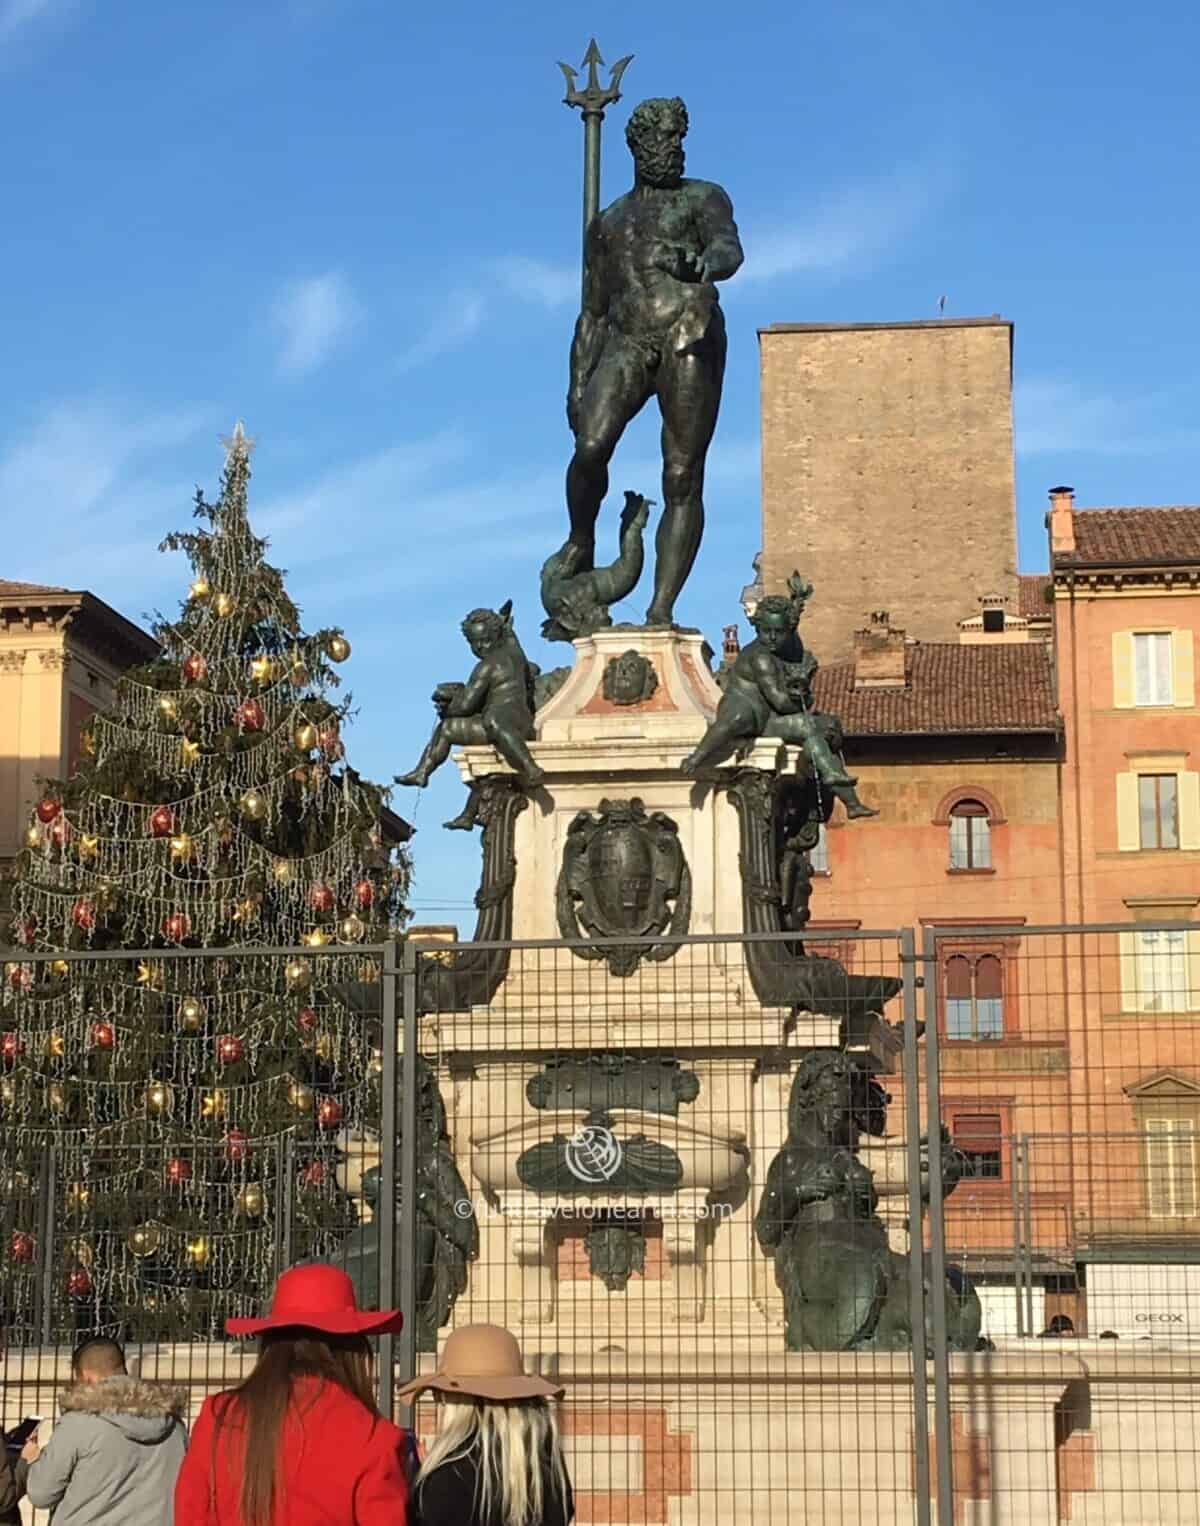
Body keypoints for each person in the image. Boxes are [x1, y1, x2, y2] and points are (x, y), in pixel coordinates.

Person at [564, 95, 744, 625]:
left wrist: (701, 261)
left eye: (677, 139)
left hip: (687, 331)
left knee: (682, 473)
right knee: (590, 447)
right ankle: (580, 536)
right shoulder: (607, 223)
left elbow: (730, 251)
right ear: (637, 145)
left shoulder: (704, 198)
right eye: (662, 139)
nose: (673, 149)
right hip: (625, 340)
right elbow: (592, 312)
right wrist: (577, 384)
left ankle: (660, 608)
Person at [174, 1262, 409, 1526]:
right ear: (353, 1349)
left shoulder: (219, 1417)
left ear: (269, 1342)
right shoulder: (374, 1437)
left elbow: (190, 1515)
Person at [401, 1324, 573, 1526]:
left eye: (440, 1395)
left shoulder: (446, 1481)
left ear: (455, 1402)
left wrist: (424, 1479)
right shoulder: (546, 1470)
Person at [20, 1337, 186, 1526]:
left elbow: (41, 1493)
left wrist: (34, 1460)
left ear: (86, 1376)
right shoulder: (174, 1425)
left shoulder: (78, 1424)